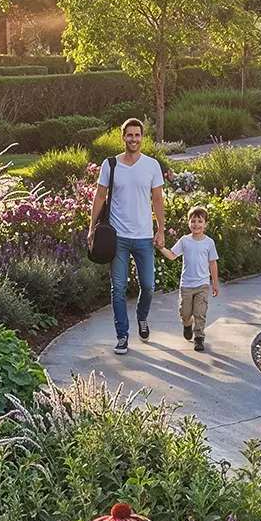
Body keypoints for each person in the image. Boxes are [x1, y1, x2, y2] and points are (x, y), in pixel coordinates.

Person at [87, 118, 166, 354]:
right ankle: (122, 336)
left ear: (142, 138)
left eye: (137, 135)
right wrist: (91, 228)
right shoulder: (110, 165)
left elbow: (158, 200)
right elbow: (99, 197)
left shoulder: (151, 166)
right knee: (118, 287)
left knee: (148, 286)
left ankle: (142, 317)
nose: (134, 139)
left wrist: (161, 229)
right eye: (129, 135)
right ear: (123, 137)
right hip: (117, 237)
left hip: (143, 236)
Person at [161, 205, 220, 352]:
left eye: (200, 221)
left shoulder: (209, 243)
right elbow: (173, 255)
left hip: (202, 284)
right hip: (186, 284)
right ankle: (187, 324)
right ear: (188, 223)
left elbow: (212, 263)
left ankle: (199, 337)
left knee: (200, 312)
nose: (196, 224)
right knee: (185, 312)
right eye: (193, 221)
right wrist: (161, 248)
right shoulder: (185, 241)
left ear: (206, 224)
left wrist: (215, 283)